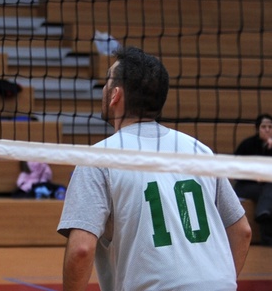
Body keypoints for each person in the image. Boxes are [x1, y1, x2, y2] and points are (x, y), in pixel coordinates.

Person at [58, 47, 251, 291]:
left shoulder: (99, 158)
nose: (104, 89)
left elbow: (82, 249)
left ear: (116, 95)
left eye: (108, 81)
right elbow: (242, 231)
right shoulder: (198, 150)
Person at [233, 113, 272, 245]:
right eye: (264, 127)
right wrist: (254, 178)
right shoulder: (247, 145)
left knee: (268, 189)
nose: (267, 129)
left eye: (270, 127)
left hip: (266, 188)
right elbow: (234, 169)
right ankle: (262, 214)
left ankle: (263, 214)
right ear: (258, 129)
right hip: (245, 186)